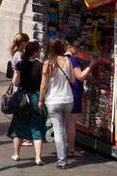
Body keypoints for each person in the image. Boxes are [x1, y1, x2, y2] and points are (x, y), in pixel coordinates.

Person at [41, 37, 78, 169]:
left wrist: (40, 100)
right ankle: (64, 156)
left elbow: (43, 84)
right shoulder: (68, 61)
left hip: (53, 100)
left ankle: (62, 161)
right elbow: (73, 80)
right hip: (67, 99)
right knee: (63, 128)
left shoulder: (48, 63)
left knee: (59, 131)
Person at [9, 40, 46, 164]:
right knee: (37, 128)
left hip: (23, 99)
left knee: (19, 126)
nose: (40, 52)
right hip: (35, 98)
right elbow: (43, 85)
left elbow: (15, 83)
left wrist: (16, 73)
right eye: (38, 50)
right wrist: (41, 99)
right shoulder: (40, 65)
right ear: (34, 52)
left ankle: (16, 154)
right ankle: (38, 157)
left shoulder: (20, 64)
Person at [65, 36, 96, 158]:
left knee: (66, 123)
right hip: (74, 93)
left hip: (66, 92)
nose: (79, 49)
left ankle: (65, 148)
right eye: (77, 46)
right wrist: (91, 65)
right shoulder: (73, 60)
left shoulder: (63, 58)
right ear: (69, 47)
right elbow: (80, 76)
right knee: (71, 123)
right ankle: (71, 149)